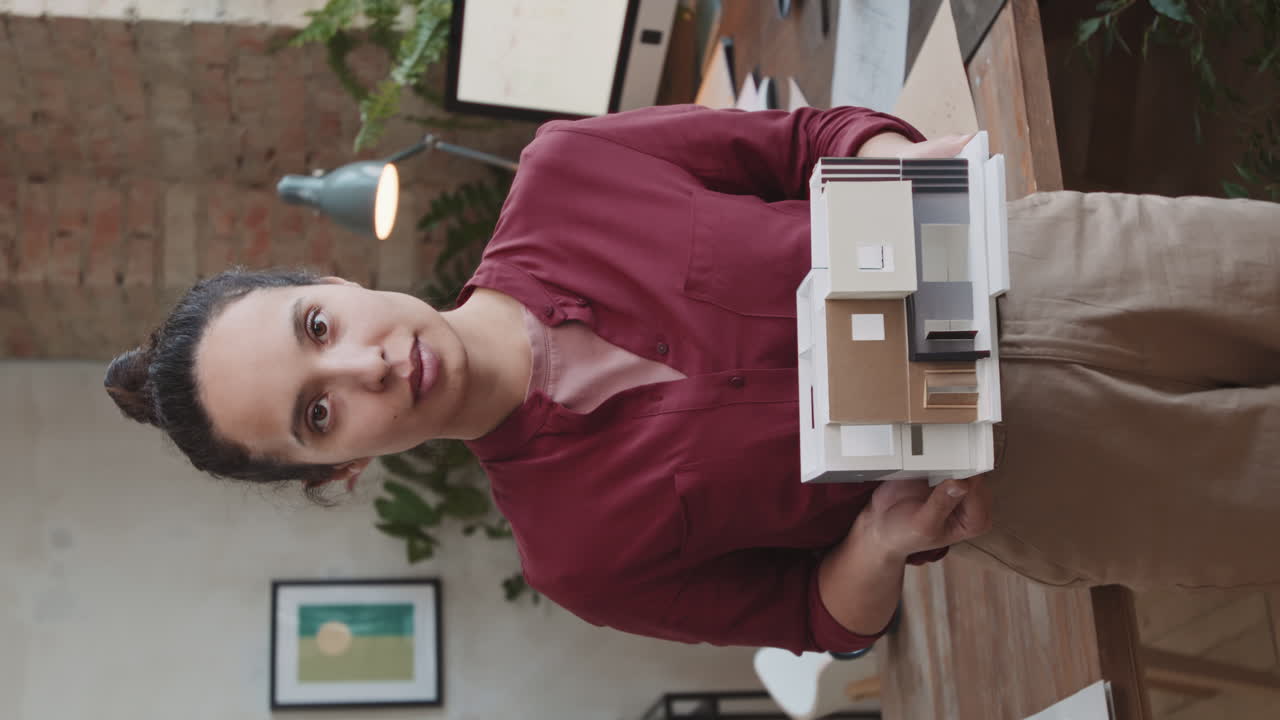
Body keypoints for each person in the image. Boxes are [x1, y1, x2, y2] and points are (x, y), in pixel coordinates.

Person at [104, 105, 1280, 655]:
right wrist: (876, 547)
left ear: (331, 276)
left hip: (1058, 265)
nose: (364, 365)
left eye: (317, 325)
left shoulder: (565, 173)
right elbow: (812, 616)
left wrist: (888, 160)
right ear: (345, 467)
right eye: (319, 414)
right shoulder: (579, 556)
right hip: (1039, 486)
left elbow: (798, 142)